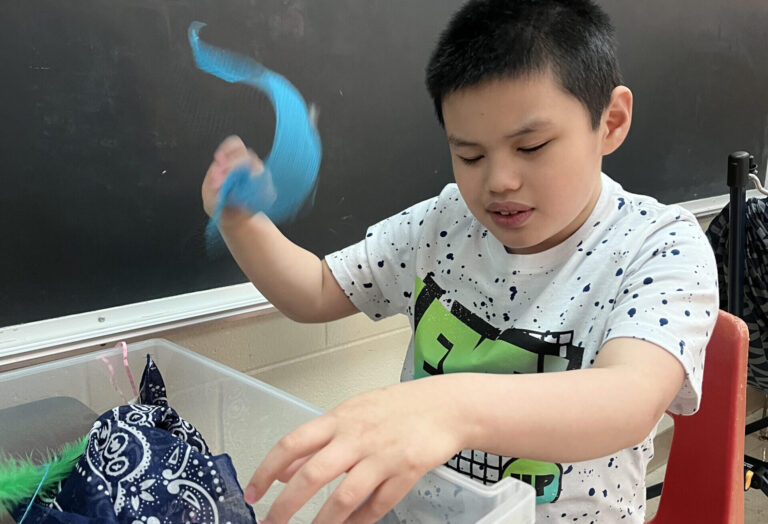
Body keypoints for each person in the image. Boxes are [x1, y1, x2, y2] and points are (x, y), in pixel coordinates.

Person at [201, 0, 718, 522]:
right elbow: (314, 290)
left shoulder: (659, 244)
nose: (498, 181)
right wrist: (241, 222)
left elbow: (629, 398)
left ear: (610, 121)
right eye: (469, 155)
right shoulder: (444, 222)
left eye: (531, 146)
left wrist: (448, 407)